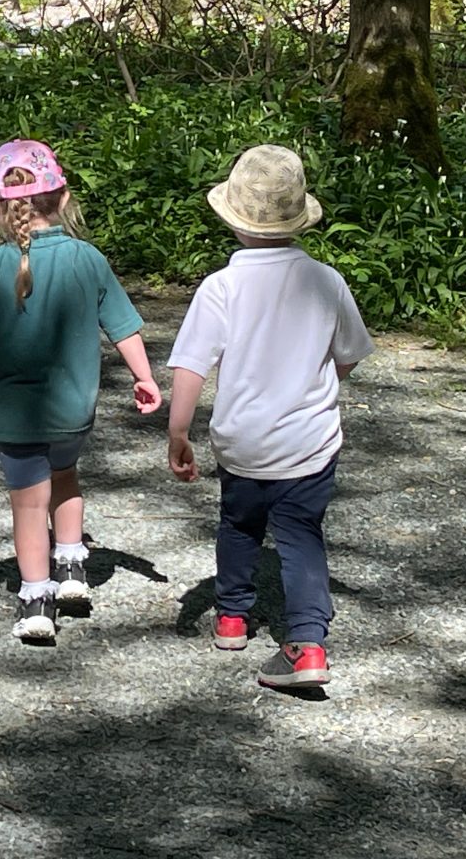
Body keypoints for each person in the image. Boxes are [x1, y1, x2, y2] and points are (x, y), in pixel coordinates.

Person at [167, 144, 373, 689]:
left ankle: (233, 617)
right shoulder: (325, 281)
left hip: (243, 442)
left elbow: (192, 364)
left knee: (239, 524)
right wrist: (319, 382)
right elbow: (349, 353)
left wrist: (179, 431)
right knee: (301, 533)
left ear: (234, 220)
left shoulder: (222, 286)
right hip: (309, 441)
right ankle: (306, 645)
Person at [0, 139, 162, 642]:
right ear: (63, 199)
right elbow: (123, 326)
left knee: (28, 504)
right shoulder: (88, 258)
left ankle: (37, 598)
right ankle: (72, 568)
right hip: (72, 410)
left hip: (14, 415)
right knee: (65, 476)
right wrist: (144, 377)